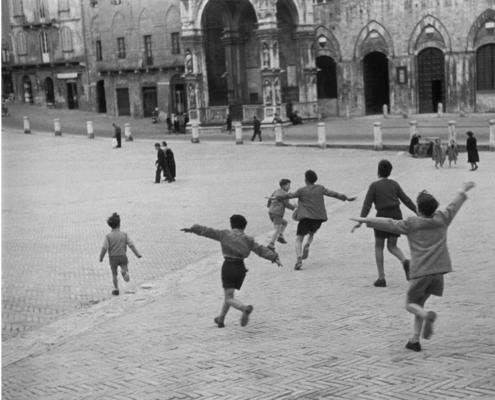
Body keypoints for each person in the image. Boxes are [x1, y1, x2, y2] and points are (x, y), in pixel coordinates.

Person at [350, 181, 475, 352]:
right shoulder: (442, 218)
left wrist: (366, 220)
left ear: (419, 209)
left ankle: (426, 316)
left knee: (410, 304)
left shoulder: (411, 223)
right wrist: (462, 190)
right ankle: (414, 340)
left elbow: (389, 223)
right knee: (420, 303)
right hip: (438, 273)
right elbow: (454, 206)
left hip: (420, 272)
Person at [181, 214, 282, 328]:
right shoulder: (248, 239)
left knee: (229, 297)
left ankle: (244, 308)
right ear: (244, 227)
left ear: (231, 225)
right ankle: (221, 319)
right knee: (229, 296)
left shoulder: (225, 234)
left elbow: (208, 231)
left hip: (228, 266)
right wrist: (273, 257)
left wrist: (193, 229)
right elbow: (260, 249)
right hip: (240, 268)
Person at [272, 170, 356, 270]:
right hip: (318, 218)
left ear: (305, 179)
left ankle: (299, 259)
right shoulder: (320, 188)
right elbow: (333, 193)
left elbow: (289, 195)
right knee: (312, 233)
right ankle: (308, 244)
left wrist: (276, 197)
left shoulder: (301, 190)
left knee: (299, 239)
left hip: (306, 217)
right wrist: (346, 198)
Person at [352, 160, 417, 287]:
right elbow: (406, 200)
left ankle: (381, 278)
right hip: (396, 215)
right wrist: (417, 211)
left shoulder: (374, 186)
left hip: (381, 217)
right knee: (392, 246)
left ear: (378, 171)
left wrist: (361, 220)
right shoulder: (394, 184)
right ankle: (405, 261)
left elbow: (367, 205)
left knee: (379, 246)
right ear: (390, 172)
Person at [99, 212, 142, 296]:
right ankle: (124, 272)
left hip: (113, 258)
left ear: (110, 225)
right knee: (125, 269)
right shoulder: (124, 234)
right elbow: (131, 245)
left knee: (114, 274)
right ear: (119, 224)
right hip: (122, 256)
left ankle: (116, 289)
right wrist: (137, 254)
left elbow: (104, 248)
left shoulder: (108, 236)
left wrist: (101, 257)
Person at [266, 179, 296, 250]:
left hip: (271, 212)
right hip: (277, 213)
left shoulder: (276, 191)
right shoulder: (285, 194)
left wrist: (269, 205)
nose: (290, 187)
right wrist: (294, 207)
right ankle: (271, 244)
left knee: (285, 223)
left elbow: (270, 199)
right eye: (288, 185)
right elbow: (287, 204)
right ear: (284, 186)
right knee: (277, 229)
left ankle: (280, 236)